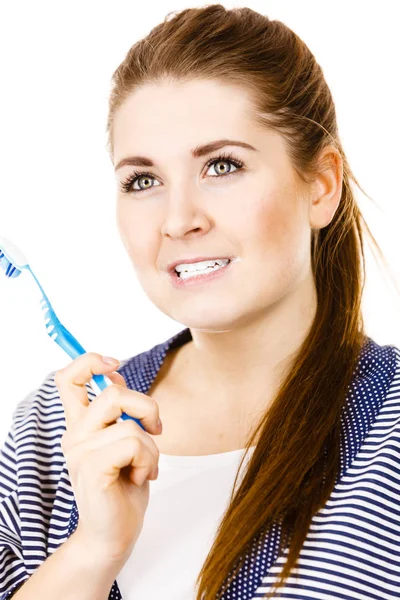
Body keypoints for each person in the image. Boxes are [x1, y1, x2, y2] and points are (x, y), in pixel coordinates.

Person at [1, 4, 399, 600]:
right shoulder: (50, 436)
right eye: (143, 180)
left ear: (321, 185)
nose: (178, 220)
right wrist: (91, 553)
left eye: (222, 166)